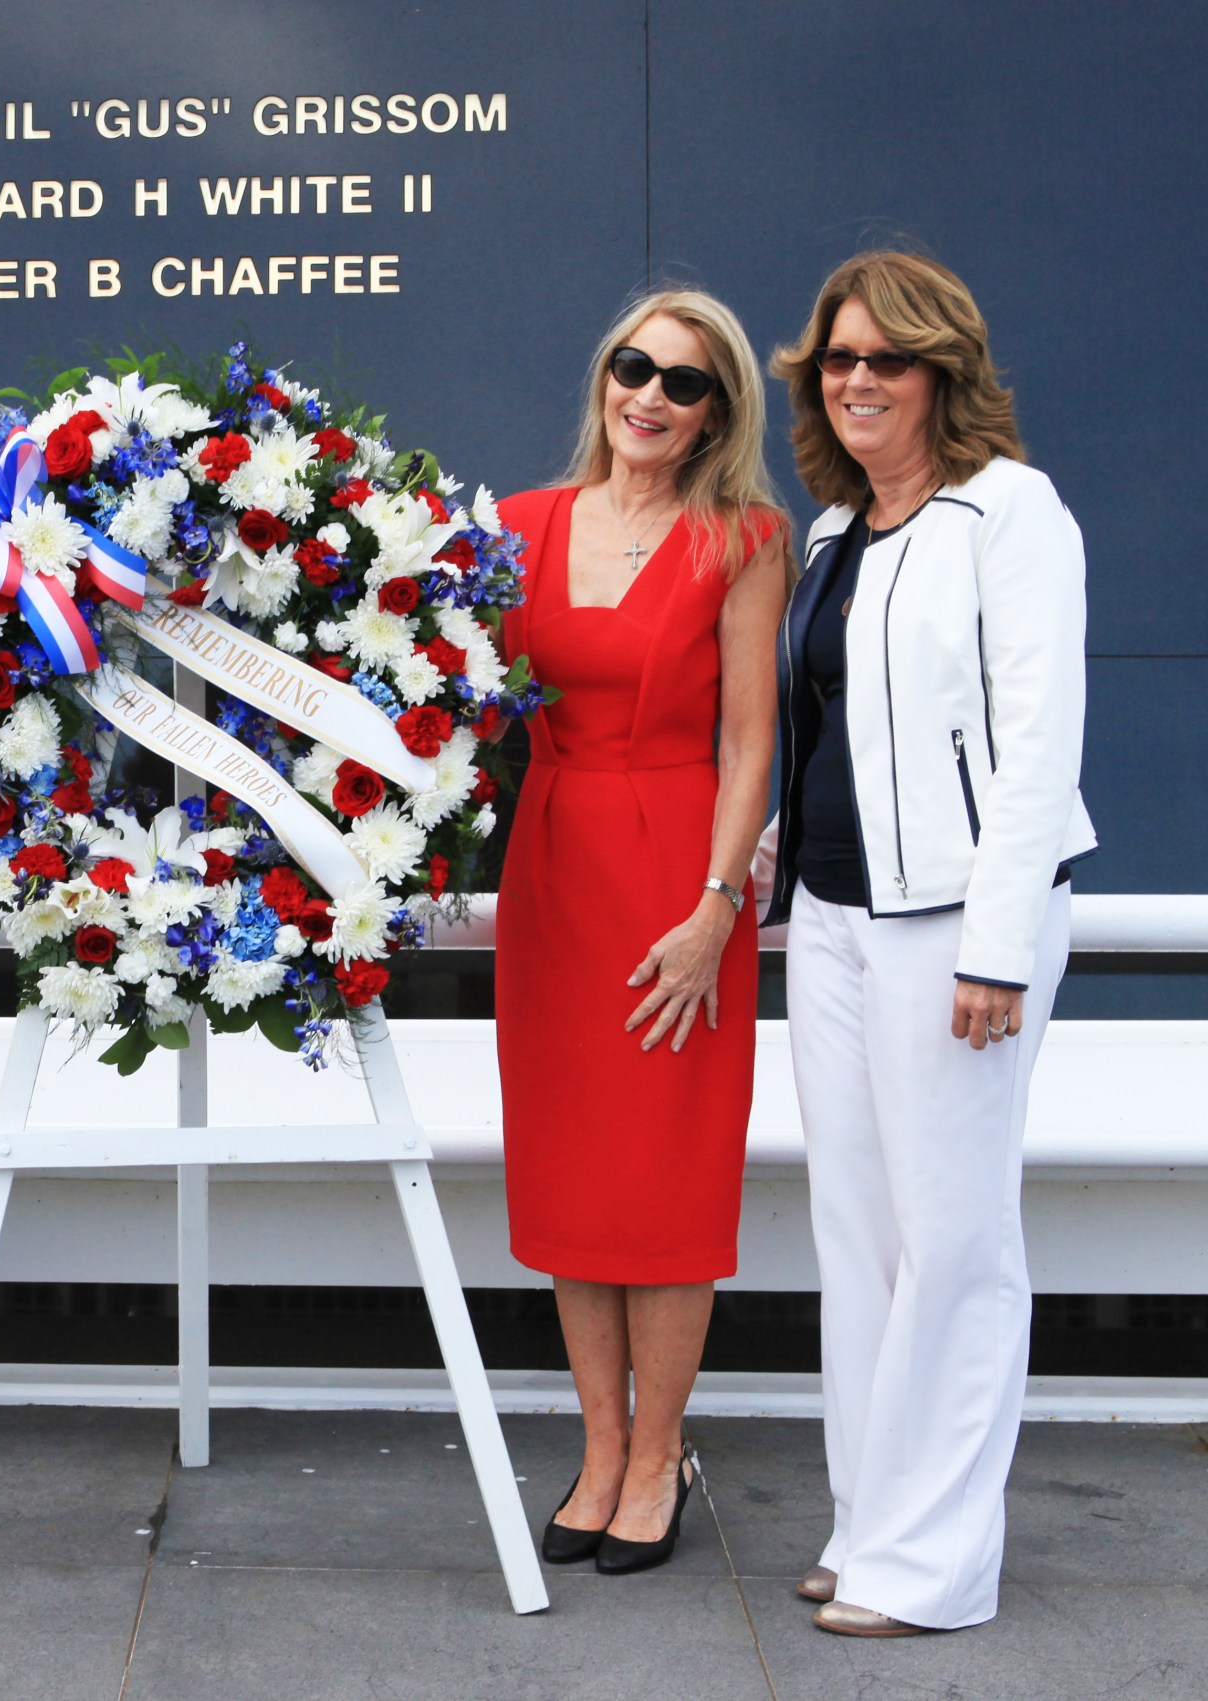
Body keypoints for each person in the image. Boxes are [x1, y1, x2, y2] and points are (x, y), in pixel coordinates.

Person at [763, 252, 1097, 1636]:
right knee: (861, 1239)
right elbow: (831, 739)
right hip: (837, 924)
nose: (856, 382)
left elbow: (1035, 751)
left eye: (885, 360)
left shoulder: (1009, 514)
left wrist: (997, 948)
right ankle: (870, 1525)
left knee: (953, 1244)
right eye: (837, 360)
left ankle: (937, 1567)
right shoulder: (839, 532)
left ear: (942, 374)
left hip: (957, 931)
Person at [495, 290, 789, 1574]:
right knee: (570, 1172)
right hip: (551, 872)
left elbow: (746, 742)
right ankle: (598, 1448)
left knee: (660, 1175)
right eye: (632, 367)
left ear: (717, 412)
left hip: (677, 879)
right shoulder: (513, 526)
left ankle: (658, 1455)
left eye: (683, 383)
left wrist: (713, 910)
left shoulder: (744, 537)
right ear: (602, 374)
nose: (649, 398)